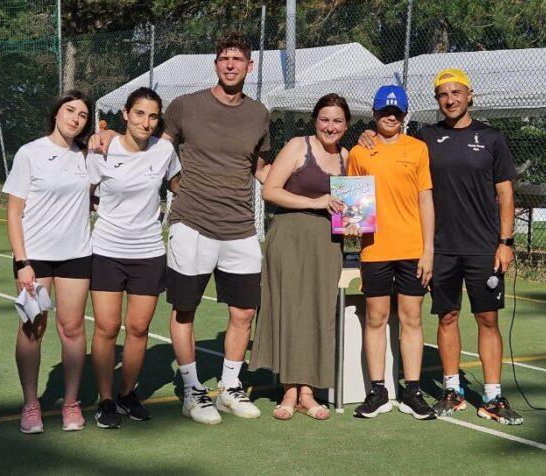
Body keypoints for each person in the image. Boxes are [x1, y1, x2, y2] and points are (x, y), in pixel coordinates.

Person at [89, 33, 271, 425]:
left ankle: (230, 388)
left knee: (244, 311)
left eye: (238, 59)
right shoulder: (186, 106)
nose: (231, 65)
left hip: (241, 227)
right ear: (216, 63)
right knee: (185, 309)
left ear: (250, 66)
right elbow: (152, 143)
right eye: (224, 58)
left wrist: (311, 184)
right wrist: (109, 135)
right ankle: (192, 391)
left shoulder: (259, 114)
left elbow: (261, 167)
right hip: (192, 224)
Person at [358, 69, 523, 425]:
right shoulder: (426, 138)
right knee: (446, 317)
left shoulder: (491, 138)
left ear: (469, 95)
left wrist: (505, 242)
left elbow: (506, 193)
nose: (450, 100)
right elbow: (389, 140)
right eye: (443, 95)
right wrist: (367, 133)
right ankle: (452, 391)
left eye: (456, 92)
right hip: (441, 247)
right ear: (437, 101)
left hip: (483, 246)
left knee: (488, 319)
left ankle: (493, 396)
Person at [249, 94, 350, 421]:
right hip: (289, 237)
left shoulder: (347, 157)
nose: (330, 127)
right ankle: (289, 391)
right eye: (324, 119)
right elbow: (270, 190)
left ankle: (308, 392)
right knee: (290, 309)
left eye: (337, 121)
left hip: (327, 243)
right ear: (315, 121)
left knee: (318, 312)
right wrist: (315, 202)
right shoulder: (297, 146)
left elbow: (351, 206)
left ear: (346, 125)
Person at [88, 88, 180, 429]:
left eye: (153, 116)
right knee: (107, 328)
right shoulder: (102, 149)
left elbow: (179, 185)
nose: (146, 122)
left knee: (139, 328)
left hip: (149, 253)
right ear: (125, 114)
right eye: (139, 114)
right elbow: (83, 192)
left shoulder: (165, 150)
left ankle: (127, 394)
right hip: (106, 251)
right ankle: (105, 400)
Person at [3, 90, 94, 434]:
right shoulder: (30, 153)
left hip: (77, 256)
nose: (75, 118)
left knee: (72, 329)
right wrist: (22, 261)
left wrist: (107, 134)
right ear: (56, 113)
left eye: (82, 115)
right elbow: (14, 213)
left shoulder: (87, 156)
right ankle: (31, 404)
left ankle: (71, 403)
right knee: (33, 328)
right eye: (70, 110)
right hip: (35, 258)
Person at [347, 84, 437, 421]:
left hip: (412, 248)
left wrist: (428, 250)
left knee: (411, 318)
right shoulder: (359, 152)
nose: (390, 116)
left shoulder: (418, 149)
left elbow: (425, 199)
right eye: (384, 111)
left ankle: (412, 391)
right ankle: (378, 391)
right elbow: (353, 203)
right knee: (376, 318)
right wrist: (352, 227)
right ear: (374, 114)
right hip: (375, 249)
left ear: (404, 115)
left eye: (396, 112)